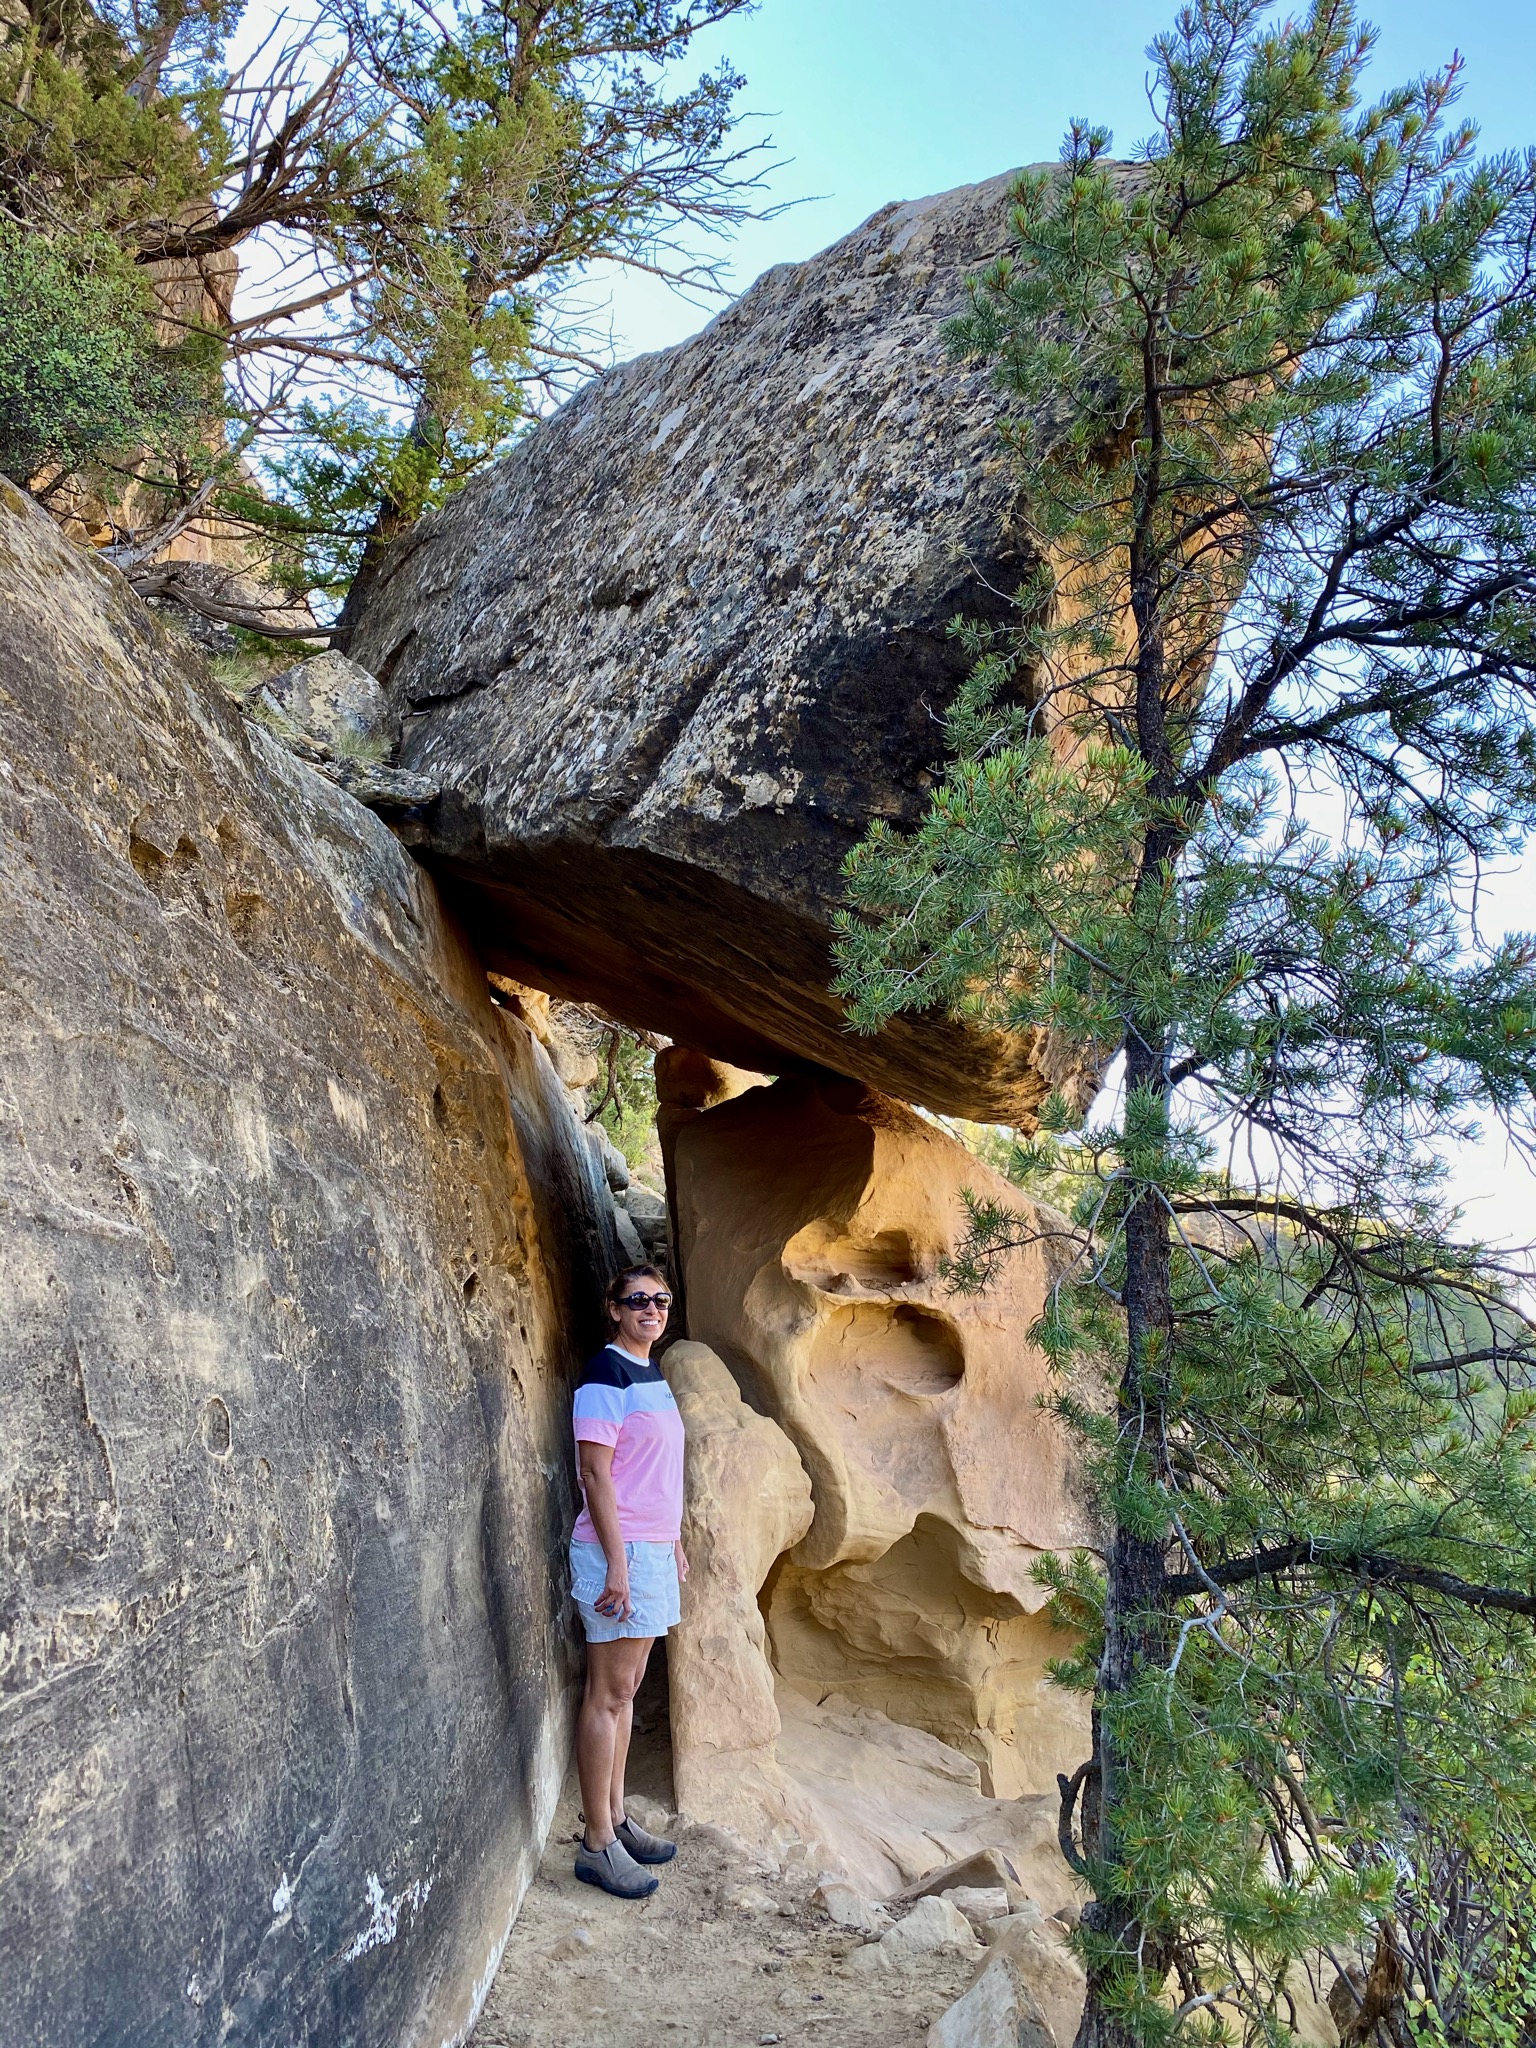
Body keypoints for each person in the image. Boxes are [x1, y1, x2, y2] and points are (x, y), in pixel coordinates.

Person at [569, 1262, 688, 1899]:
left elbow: (656, 1475)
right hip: (619, 1554)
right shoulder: (605, 1373)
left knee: (629, 1688)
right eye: (637, 1300)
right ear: (614, 1308)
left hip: (650, 1550)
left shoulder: (652, 1373)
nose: (651, 1309)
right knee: (607, 1694)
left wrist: (674, 1546)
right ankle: (595, 1845)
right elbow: (595, 1474)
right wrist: (618, 1562)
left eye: (660, 1299)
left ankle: (616, 1819)